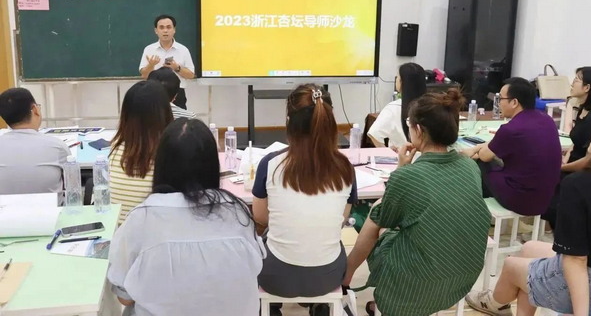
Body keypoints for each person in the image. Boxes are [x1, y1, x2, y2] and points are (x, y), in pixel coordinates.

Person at [343, 89, 491, 316]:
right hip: (463, 277)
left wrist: (401, 169)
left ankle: (346, 276)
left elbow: (385, 216)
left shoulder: (409, 176)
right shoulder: (469, 166)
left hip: (416, 284)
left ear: (419, 130)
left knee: (376, 215)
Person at [108, 118, 265, 316]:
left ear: (161, 165)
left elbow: (124, 297)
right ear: (212, 165)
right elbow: (252, 273)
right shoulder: (238, 212)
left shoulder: (141, 218)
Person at [466, 119, 591, 316]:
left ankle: (495, 304)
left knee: (512, 266)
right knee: (529, 249)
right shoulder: (544, 123)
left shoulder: (578, 185)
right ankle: (501, 306)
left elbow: (576, 260)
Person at [252, 84, 357, 316]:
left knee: (261, 245)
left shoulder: (270, 163)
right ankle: (320, 307)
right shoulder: (345, 168)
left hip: (276, 277)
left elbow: (259, 216)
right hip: (327, 277)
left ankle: (270, 310)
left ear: (289, 121)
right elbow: (342, 218)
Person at [463, 77, 562, 216]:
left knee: (478, 164)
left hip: (521, 200)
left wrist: (474, 150)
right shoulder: (547, 120)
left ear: (514, 102)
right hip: (545, 199)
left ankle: (476, 213)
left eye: (501, 99)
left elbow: (485, 156)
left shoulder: (510, 129)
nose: (498, 103)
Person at [543, 66, 591, 228]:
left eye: (576, 80)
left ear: (587, 88)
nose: (572, 83)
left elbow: (589, 160)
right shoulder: (584, 109)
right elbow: (576, 142)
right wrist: (565, 158)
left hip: (582, 172)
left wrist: (563, 167)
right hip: (571, 165)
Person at [109, 80, 173, 223]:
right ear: (165, 113)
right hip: (151, 232)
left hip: (118, 232)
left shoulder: (116, 147)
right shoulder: (168, 155)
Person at [0, 87, 69, 196]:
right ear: (35, 109)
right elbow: (72, 182)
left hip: (4, 208)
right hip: (50, 207)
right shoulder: (57, 147)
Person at [139, 15, 195, 109]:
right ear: (156, 30)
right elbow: (144, 75)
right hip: (154, 93)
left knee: (179, 118)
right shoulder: (149, 49)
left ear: (174, 30)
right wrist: (151, 65)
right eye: (161, 27)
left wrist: (177, 68)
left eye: (169, 27)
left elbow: (191, 75)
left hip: (177, 93)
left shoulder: (183, 50)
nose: (165, 31)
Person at [367, 62, 427, 147]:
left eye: (397, 77)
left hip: (402, 155)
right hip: (428, 155)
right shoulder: (432, 106)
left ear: (402, 82)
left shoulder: (393, 108)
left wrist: (387, 152)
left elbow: (374, 134)